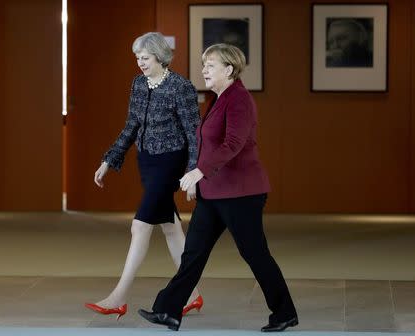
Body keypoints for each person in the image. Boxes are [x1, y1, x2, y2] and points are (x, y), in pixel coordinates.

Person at [138, 44, 298, 332]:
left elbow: (233, 145)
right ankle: (167, 311)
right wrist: (197, 179)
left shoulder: (239, 100)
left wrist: (200, 171)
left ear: (229, 69)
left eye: (210, 65)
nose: (204, 70)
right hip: (214, 193)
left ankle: (284, 313)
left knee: (255, 253)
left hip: (241, 193)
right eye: (204, 65)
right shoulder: (219, 98)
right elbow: (207, 144)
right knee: (193, 253)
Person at [84, 32, 203, 319]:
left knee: (140, 226)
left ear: (160, 57)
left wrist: (193, 172)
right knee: (171, 229)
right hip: (147, 162)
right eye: (137, 57)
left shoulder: (180, 87)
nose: (140, 63)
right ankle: (193, 295)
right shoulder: (138, 84)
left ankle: (119, 296)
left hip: (171, 162)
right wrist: (108, 160)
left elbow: (194, 133)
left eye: (145, 58)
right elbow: (131, 126)